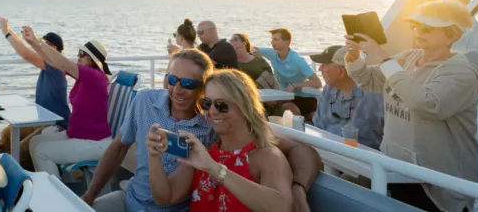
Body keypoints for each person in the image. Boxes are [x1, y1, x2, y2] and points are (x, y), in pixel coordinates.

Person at [81, 49, 320, 212]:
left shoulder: (220, 136)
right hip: (132, 197)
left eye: (187, 84)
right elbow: (120, 150)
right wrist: (91, 194)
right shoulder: (148, 103)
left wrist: (298, 188)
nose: (177, 89)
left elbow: (301, 152)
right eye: (171, 80)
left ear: (200, 88)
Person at [344, 0, 478, 212]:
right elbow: (370, 81)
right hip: (398, 168)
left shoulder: (461, 74)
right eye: (416, 25)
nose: (419, 31)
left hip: (438, 181)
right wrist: (354, 58)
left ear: (453, 35)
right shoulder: (408, 58)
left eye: (428, 27)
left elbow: (426, 105)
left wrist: (383, 58)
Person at [147, 70, 293, 212]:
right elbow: (164, 198)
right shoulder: (205, 153)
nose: (212, 111)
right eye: (206, 103)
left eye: (221, 105)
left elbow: (281, 207)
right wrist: (154, 156)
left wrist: (214, 169)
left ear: (245, 107)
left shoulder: (266, 156)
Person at [21, 25, 113, 179]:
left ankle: (53, 191)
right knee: (35, 142)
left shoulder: (94, 76)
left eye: (82, 54)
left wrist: (37, 41)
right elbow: (53, 62)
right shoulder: (84, 78)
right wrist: (32, 42)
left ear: (92, 59)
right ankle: (48, 182)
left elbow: (64, 63)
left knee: (42, 152)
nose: (78, 57)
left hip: (94, 142)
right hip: (78, 134)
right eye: (79, 53)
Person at [0, 17, 70, 167]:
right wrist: (12, 31)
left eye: (46, 45)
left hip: (56, 125)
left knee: (20, 150)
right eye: (42, 43)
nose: (41, 47)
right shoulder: (47, 65)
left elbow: (27, 55)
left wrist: (6, 32)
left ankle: (26, 172)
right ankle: (20, 167)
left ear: (55, 49)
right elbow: (29, 51)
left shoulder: (56, 65)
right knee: (6, 134)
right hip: (41, 121)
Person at [309, 45, 384, 148]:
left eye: (324, 65)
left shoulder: (373, 94)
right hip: (326, 148)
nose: (319, 69)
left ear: (341, 71)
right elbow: (318, 125)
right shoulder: (329, 88)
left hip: (360, 154)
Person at [254, 28, 323, 118]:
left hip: (305, 97)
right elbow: (253, 48)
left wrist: (294, 85)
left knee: (292, 109)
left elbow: (317, 82)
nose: (272, 42)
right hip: (285, 97)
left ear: (286, 42)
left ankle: (302, 122)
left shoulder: (297, 60)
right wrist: (254, 53)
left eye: (276, 39)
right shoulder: (272, 53)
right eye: (272, 39)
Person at [164, 19, 198, 89]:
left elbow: (166, 84)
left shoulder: (180, 57)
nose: (175, 37)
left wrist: (173, 57)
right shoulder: (199, 54)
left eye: (175, 35)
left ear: (181, 37)